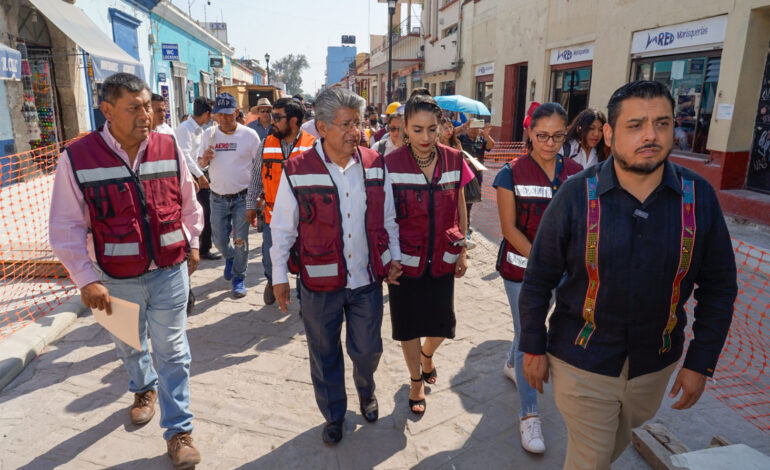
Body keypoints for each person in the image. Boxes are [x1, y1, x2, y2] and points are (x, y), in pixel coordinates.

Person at [520, 81, 737, 470]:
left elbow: (719, 287)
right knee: (590, 459)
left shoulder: (699, 197)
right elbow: (539, 277)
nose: (651, 135)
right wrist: (532, 346)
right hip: (580, 359)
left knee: (606, 448)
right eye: (636, 124)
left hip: (654, 364)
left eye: (662, 124)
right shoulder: (574, 195)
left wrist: (700, 361)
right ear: (609, 133)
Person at [49, 73, 204, 468]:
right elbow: (65, 225)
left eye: (148, 105)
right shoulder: (78, 158)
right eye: (133, 107)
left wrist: (193, 241)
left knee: (174, 352)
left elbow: (188, 201)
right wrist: (86, 278)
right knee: (130, 345)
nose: (146, 115)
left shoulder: (168, 147)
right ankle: (142, 388)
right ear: (107, 111)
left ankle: (179, 431)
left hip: (170, 271)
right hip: (114, 278)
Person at [269, 87, 402, 445]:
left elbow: (388, 217)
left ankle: (366, 387)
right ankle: (334, 414)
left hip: (366, 279)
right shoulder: (297, 168)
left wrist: (394, 257)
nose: (354, 131)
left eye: (357, 123)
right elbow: (282, 226)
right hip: (318, 280)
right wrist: (279, 276)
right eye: (345, 124)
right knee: (324, 351)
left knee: (367, 348)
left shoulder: (374, 162)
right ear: (322, 128)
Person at [494, 102, 583, 454]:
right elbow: (508, 229)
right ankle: (529, 415)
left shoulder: (577, 173)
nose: (549, 143)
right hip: (522, 272)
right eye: (542, 135)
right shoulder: (510, 173)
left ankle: (510, 360)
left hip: (567, 274)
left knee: (532, 331)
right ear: (529, 132)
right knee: (531, 334)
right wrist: (545, 264)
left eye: (558, 136)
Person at [385, 91, 476, 415]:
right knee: (407, 327)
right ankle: (415, 383)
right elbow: (383, 217)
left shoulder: (454, 158)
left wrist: (462, 248)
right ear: (404, 128)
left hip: (443, 257)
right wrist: (387, 261)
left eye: (432, 129)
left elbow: (461, 203)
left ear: (442, 127)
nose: (425, 137)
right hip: (404, 262)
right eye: (417, 129)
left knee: (441, 325)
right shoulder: (390, 164)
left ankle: (427, 355)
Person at [246, 97, 315, 305]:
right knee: (269, 258)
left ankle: (305, 298)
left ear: (294, 121)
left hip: (305, 219)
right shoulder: (267, 143)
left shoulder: (313, 146)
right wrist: (250, 205)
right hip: (271, 216)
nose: (271, 121)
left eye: (277, 117)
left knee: (304, 260)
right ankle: (271, 280)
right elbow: (257, 176)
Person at [198, 92, 261, 298]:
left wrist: (257, 197)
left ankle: (238, 277)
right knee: (219, 240)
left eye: (228, 114)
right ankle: (230, 258)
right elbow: (199, 164)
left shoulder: (249, 136)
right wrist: (204, 160)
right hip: (217, 198)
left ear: (236, 112)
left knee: (241, 239)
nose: (224, 119)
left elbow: (258, 168)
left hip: (242, 197)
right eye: (219, 115)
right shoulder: (209, 135)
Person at [176, 96, 220, 261]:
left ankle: (203, 247)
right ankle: (195, 247)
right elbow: (185, 156)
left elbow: (197, 158)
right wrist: (200, 175)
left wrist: (205, 163)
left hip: (199, 173)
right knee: (194, 213)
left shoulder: (200, 131)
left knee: (205, 213)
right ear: (207, 113)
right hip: (189, 177)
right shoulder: (185, 129)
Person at [458, 119, 495, 238]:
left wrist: (487, 135)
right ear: (468, 128)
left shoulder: (481, 140)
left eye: (476, 128)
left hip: (477, 175)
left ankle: (465, 226)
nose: (474, 130)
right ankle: (464, 228)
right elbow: (450, 135)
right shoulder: (461, 139)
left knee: (470, 202)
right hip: (464, 175)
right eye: (472, 127)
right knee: (463, 201)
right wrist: (463, 125)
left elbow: (490, 146)